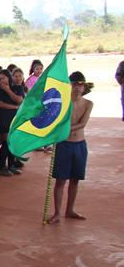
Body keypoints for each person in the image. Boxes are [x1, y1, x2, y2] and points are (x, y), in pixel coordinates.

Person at [49, 72, 94, 224]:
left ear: (84, 86)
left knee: (75, 180)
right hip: (63, 144)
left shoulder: (88, 104)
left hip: (80, 144)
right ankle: (57, 213)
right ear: (69, 85)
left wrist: (63, 129)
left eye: (80, 84)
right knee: (60, 180)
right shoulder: (62, 103)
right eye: (74, 84)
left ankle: (70, 210)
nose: (77, 87)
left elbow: (82, 124)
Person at [0, 70, 25, 176]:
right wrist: (14, 107)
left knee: (13, 143)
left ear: (8, 78)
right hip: (3, 119)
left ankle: (11, 165)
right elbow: (0, 104)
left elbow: (19, 100)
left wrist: (8, 90)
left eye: (3, 78)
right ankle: (3, 167)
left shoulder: (18, 87)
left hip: (15, 119)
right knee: (5, 143)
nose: (1, 80)